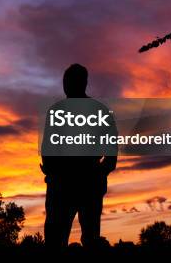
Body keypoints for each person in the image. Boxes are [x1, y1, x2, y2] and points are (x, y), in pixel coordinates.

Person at [41, 63, 117, 249]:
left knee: (83, 239)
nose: (66, 86)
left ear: (83, 83)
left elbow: (111, 154)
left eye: (69, 82)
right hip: (68, 183)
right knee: (59, 238)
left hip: (76, 184)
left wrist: (99, 173)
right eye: (66, 82)